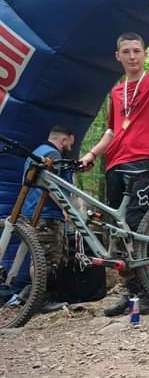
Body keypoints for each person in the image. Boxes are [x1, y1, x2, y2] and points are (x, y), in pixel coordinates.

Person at [78, 0, 149, 315]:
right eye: (126, 52)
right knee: (119, 230)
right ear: (118, 56)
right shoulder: (116, 92)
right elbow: (112, 131)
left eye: (136, 51)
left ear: (144, 53)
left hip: (143, 160)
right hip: (115, 163)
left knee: (137, 224)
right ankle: (132, 295)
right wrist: (91, 153)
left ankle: (148, 297)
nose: (132, 56)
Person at [2, 125, 76, 310]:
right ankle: (41, 301)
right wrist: (66, 208)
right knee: (44, 258)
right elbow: (52, 186)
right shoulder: (53, 154)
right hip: (46, 212)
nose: (71, 147)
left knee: (39, 256)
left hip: (33, 210)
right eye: (70, 142)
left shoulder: (37, 152)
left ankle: (29, 295)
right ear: (64, 139)